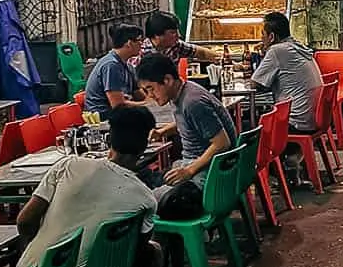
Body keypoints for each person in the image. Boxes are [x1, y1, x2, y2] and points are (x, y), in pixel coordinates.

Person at [16, 104, 183, 267]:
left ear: (109, 138)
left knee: (47, 262)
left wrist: (41, 249)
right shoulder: (144, 198)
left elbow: (24, 220)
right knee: (154, 252)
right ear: (144, 146)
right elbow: (135, 252)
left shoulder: (68, 165)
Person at [137, 52, 238, 216]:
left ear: (168, 80)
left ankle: (172, 240)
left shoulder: (193, 102)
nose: (150, 96)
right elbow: (189, 122)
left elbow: (222, 143)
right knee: (142, 181)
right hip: (198, 166)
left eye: (151, 89)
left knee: (146, 204)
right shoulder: (183, 92)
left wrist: (189, 171)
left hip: (210, 175)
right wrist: (162, 131)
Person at [250, 11, 322, 134]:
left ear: (271, 37)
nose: (261, 38)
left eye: (263, 34)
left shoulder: (277, 50)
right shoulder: (295, 45)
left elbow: (255, 83)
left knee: (250, 129)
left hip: (295, 122)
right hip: (312, 118)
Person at [83, 25, 150, 120]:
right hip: (105, 117)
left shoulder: (127, 65)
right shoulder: (111, 66)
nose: (141, 44)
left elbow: (138, 93)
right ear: (129, 43)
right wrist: (146, 104)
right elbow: (118, 105)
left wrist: (152, 100)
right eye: (139, 40)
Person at [141, 11, 218, 65]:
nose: (179, 35)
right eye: (173, 32)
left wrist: (220, 58)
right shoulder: (143, 54)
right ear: (157, 35)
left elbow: (201, 53)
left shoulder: (175, 45)